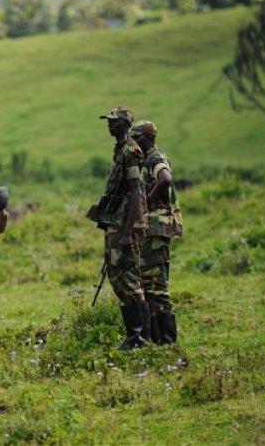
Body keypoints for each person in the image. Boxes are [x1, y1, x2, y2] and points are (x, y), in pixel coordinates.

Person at [89, 106, 149, 350]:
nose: (109, 125)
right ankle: (135, 335)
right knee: (117, 277)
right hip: (116, 224)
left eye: (113, 121)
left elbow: (136, 191)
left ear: (124, 124)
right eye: (108, 121)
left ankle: (140, 338)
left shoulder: (131, 152)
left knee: (129, 279)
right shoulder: (119, 151)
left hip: (127, 225)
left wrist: (127, 232)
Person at [130, 121, 183, 345]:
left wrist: (148, 201)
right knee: (147, 284)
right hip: (149, 229)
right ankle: (156, 339)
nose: (134, 141)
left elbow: (166, 179)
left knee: (156, 285)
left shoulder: (154, 157)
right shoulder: (143, 160)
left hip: (156, 227)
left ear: (148, 138)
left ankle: (167, 341)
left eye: (137, 137)